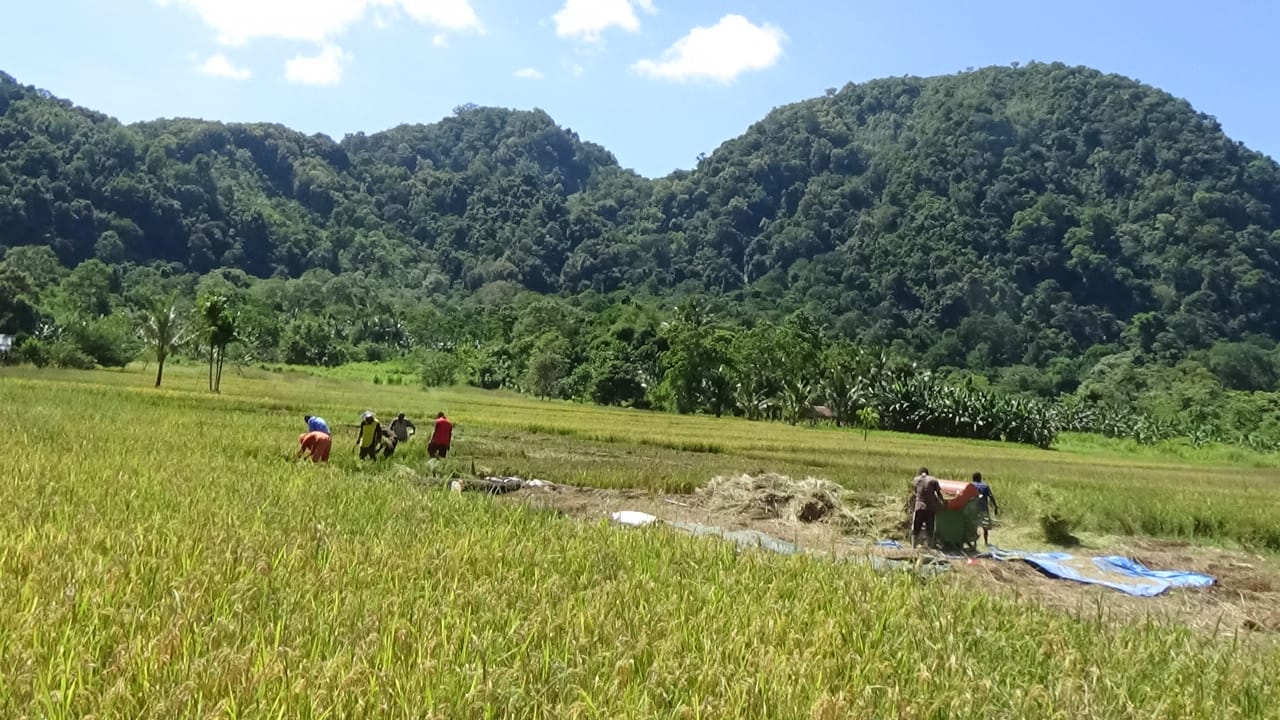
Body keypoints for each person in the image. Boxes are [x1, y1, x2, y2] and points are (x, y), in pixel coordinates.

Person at [911, 467, 944, 549]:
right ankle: (930, 547)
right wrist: (942, 503)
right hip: (930, 508)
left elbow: (915, 492)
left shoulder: (916, 480)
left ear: (920, 473)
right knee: (930, 529)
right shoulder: (933, 480)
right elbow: (939, 494)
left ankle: (913, 546)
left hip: (919, 507)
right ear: (927, 473)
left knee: (916, 528)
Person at [971, 472, 1000, 546]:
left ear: (973, 478)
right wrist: (995, 506)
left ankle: (974, 543)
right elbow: (991, 497)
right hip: (984, 509)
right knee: (985, 527)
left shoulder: (971, 486)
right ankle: (986, 542)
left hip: (973, 509)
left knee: (974, 526)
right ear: (980, 478)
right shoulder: (985, 486)